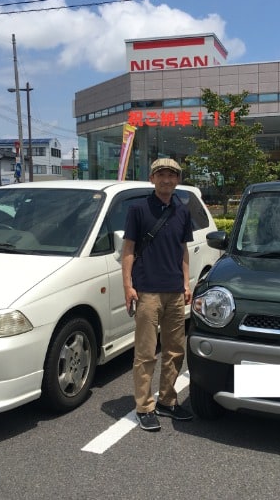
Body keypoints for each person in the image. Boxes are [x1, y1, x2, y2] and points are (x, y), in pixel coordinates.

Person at [122, 158, 194, 431]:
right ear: (152, 179)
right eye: (161, 174)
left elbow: (183, 250)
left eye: (171, 175)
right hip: (147, 292)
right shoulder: (138, 209)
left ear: (177, 180)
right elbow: (128, 250)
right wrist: (128, 286)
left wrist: (186, 283)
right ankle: (144, 406)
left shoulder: (182, 211)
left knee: (175, 350)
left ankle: (167, 399)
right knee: (146, 352)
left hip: (175, 291)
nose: (166, 179)